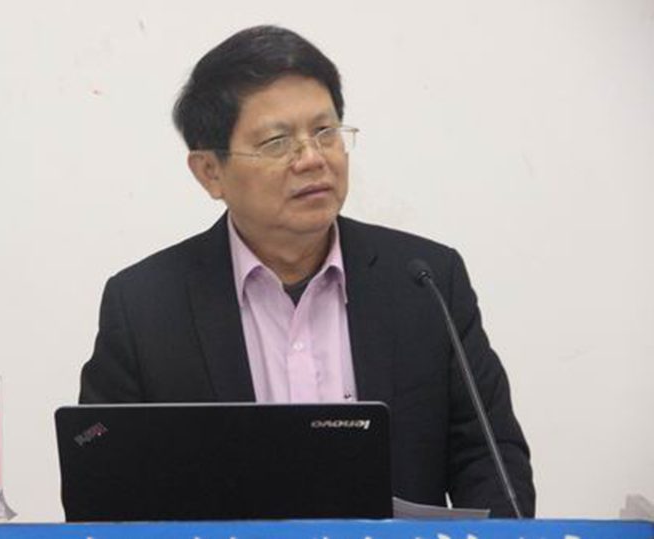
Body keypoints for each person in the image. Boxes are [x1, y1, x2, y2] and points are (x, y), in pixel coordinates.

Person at [79, 25, 535, 517]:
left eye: (325, 132)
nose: (313, 159)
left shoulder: (425, 282)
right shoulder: (145, 308)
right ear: (210, 172)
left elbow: (489, 459)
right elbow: (105, 488)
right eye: (277, 142)